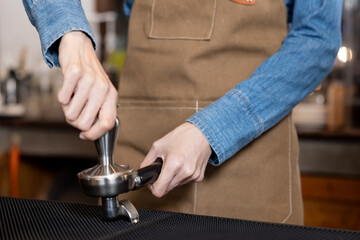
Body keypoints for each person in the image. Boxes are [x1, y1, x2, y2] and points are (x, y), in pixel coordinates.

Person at [23, 0, 342, 224]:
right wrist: (72, 36)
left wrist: (211, 130)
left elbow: (317, 40)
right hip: (139, 157)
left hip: (251, 172)